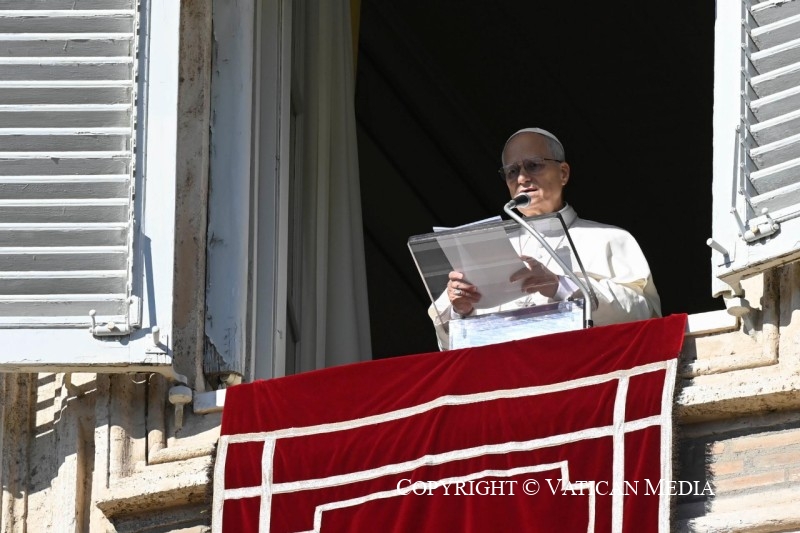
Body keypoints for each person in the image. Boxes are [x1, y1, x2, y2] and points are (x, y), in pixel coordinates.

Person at [428, 127, 661, 350]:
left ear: (563, 173)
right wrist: (461, 309)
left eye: (533, 165)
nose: (522, 178)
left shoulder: (608, 239)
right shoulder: (488, 248)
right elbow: (451, 344)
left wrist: (562, 286)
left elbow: (643, 314)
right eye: (512, 171)